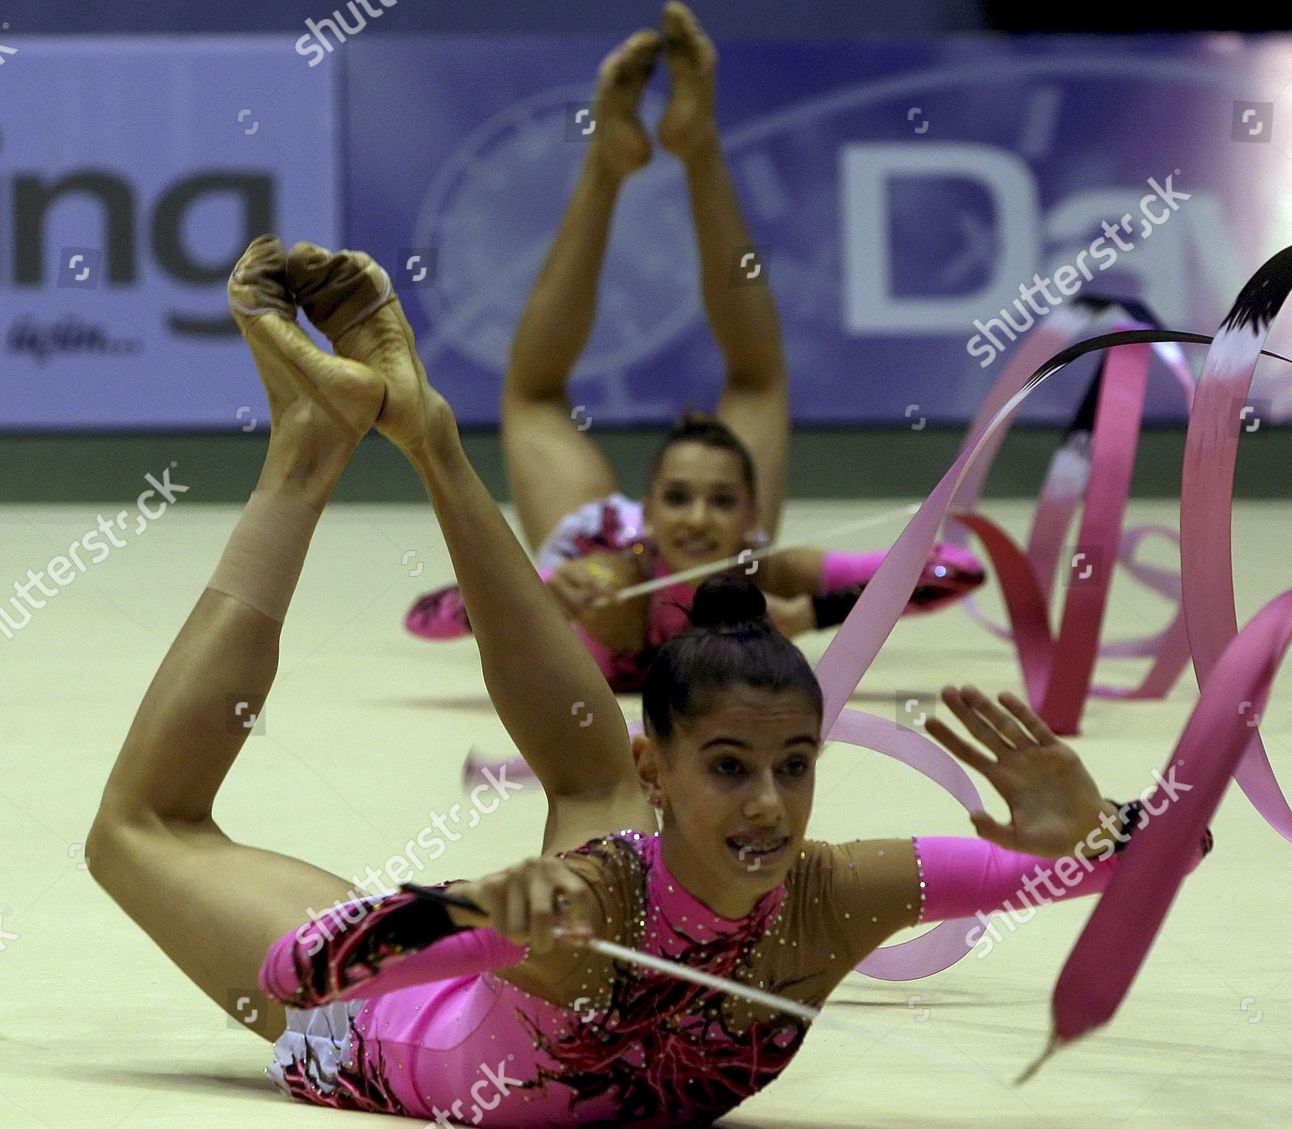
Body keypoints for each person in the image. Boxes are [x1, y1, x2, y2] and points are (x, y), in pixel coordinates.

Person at [86, 233, 1211, 1127]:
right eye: (728, 767)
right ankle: (308, 458)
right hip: (375, 1024)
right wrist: (467, 915)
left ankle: (426, 435)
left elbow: (1173, 843)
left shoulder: (831, 893)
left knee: (583, 780)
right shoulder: (581, 906)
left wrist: (1099, 830)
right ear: (658, 768)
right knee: (142, 827)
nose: (768, 803)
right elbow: (308, 967)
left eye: (793, 765)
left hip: (592, 884)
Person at [402, 2, 984, 690]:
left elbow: (958, 569)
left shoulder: (762, 573)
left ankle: (694, 139)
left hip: (737, 582)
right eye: (678, 498)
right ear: (647, 514)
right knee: (555, 392)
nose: (701, 520)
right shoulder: (604, 573)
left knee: (583, 393)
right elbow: (426, 615)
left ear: (751, 513)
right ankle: (611, 162)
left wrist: (813, 609)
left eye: (720, 501)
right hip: (603, 553)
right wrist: (542, 596)